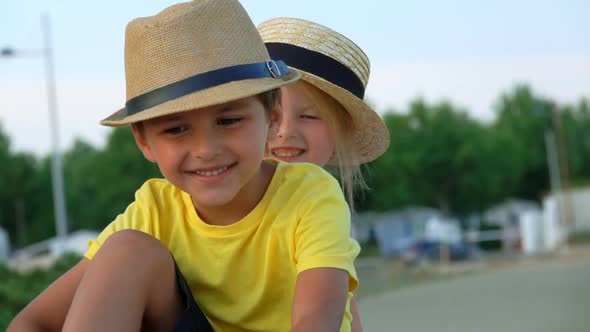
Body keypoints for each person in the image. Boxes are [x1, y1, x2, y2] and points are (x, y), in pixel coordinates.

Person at [8, 1, 360, 331]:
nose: (206, 149)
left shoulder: (310, 195)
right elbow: (30, 322)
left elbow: (317, 319)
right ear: (144, 141)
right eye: (176, 129)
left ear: (272, 118)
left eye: (229, 120)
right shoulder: (154, 210)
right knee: (127, 250)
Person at [258, 17, 391, 332]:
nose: (286, 131)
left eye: (309, 116)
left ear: (339, 133)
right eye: (271, 115)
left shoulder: (324, 207)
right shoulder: (194, 203)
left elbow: (341, 309)